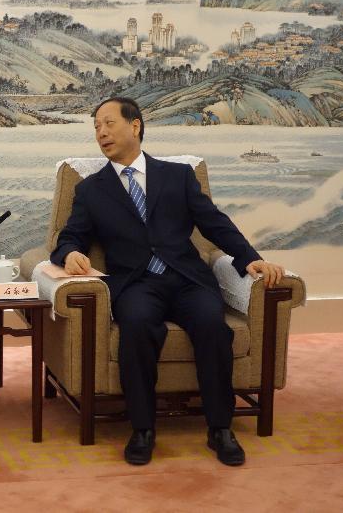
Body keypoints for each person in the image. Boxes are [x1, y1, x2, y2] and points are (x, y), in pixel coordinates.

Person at [50, 97, 284, 466]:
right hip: (136, 284)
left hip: (188, 279)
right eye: (96, 127)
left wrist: (250, 257)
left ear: (136, 126)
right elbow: (69, 237)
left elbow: (213, 222)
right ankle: (142, 429)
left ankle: (220, 428)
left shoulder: (178, 176)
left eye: (108, 123)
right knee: (138, 326)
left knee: (212, 325)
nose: (101, 132)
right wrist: (69, 254)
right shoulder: (91, 190)